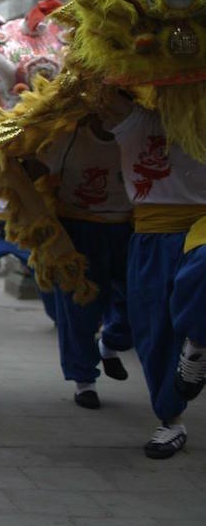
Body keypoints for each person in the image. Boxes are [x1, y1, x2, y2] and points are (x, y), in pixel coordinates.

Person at [102, 97, 206, 459]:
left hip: (202, 227)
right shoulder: (135, 118)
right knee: (154, 332)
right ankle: (171, 420)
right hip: (152, 235)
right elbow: (96, 91)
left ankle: (197, 345)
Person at [28, 116, 133, 409]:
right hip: (77, 229)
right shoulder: (67, 134)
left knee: (138, 303)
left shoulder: (138, 129)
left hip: (130, 227)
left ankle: (111, 345)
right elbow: (31, 169)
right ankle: (84, 381)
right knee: (78, 308)